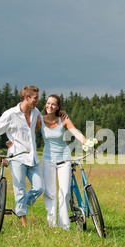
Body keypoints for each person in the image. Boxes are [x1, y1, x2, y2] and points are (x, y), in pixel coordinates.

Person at [0, 85, 44, 227]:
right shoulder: (11, 114)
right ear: (27, 98)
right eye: (35, 98)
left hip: (32, 157)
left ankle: (18, 208)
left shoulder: (36, 112)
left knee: (39, 188)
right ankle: (24, 224)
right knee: (19, 189)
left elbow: (44, 123)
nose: (38, 100)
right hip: (17, 157)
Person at [40, 94, 86, 230]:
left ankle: (64, 225)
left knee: (65, 191)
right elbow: (27, 133)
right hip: (48, 159)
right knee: (49, 192)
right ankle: (52, 225)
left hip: (64, 158)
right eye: (48, 103)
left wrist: (88, 143)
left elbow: (76, 133)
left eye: (53, 104)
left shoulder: (63, 120)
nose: (50, 106)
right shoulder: (40, 120)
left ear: (58, 107)